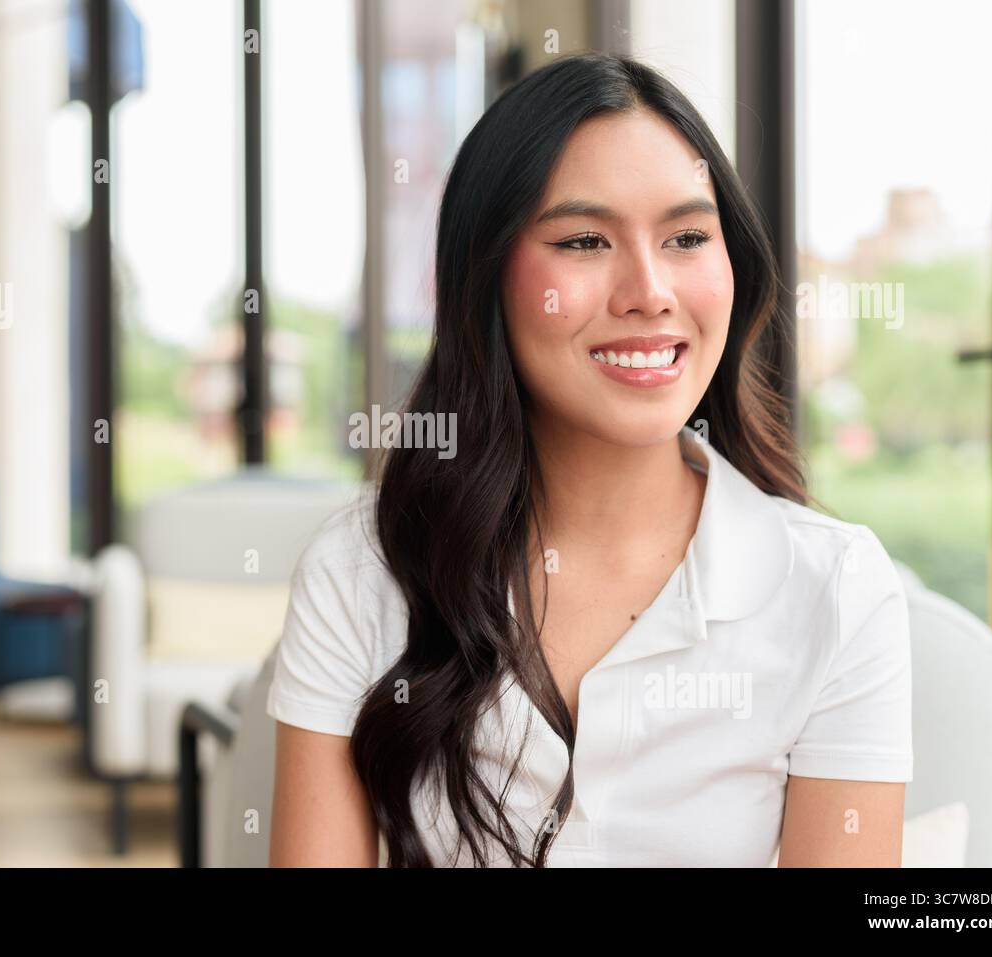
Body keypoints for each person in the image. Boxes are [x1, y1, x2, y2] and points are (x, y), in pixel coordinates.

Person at [266, 51, 912, 867]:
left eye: (686, 236)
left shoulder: (836, 590)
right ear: (485, 278)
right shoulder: (361, 571)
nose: (648, 290)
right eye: (583, 240)